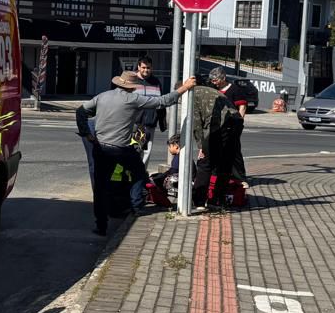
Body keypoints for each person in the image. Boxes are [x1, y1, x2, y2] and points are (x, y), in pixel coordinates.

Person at [77, 70, 197, 236]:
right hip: (121, 149)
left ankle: (101, 226)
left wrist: (87, 134)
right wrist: (184, 88)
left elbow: (80, 112)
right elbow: (162, 101)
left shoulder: (102, 96)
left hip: (100, 148)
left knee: (101, 187)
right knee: (139, 174)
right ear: (132, 87)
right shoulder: (133, 99)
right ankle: (136, 207)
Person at [191, 74, 242, 211]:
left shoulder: (192, 94)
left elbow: (197, 124)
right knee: (224, 164)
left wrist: (202, 146)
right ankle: (217, 201)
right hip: (236, 122)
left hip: (220, 124)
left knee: (205, 163)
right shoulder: (211, 90)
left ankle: (199, 201)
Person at [209, 67, 249, 187]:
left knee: (234, 150)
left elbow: (242, 106)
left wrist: (239, 122)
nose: (213, 83)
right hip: (217, 125)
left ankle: (240, 178)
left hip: (232, 125)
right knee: (217, 150)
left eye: (216, 80)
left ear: (223, 78)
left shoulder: (235, 90)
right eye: (212, 80)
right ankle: (217, 174)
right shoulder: (213, 90)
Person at [133, 57, 167, 167]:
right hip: (134, 124)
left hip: (149, 124)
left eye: (148, 68)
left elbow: (161, 103)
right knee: (134, 150)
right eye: (143, 67)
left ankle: (142, 174)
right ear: (138, 67)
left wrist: (162, 123)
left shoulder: (156, 82)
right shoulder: (132, 81)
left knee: (146, 151)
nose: (146, 70)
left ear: (151, 68)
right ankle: (132, 175)